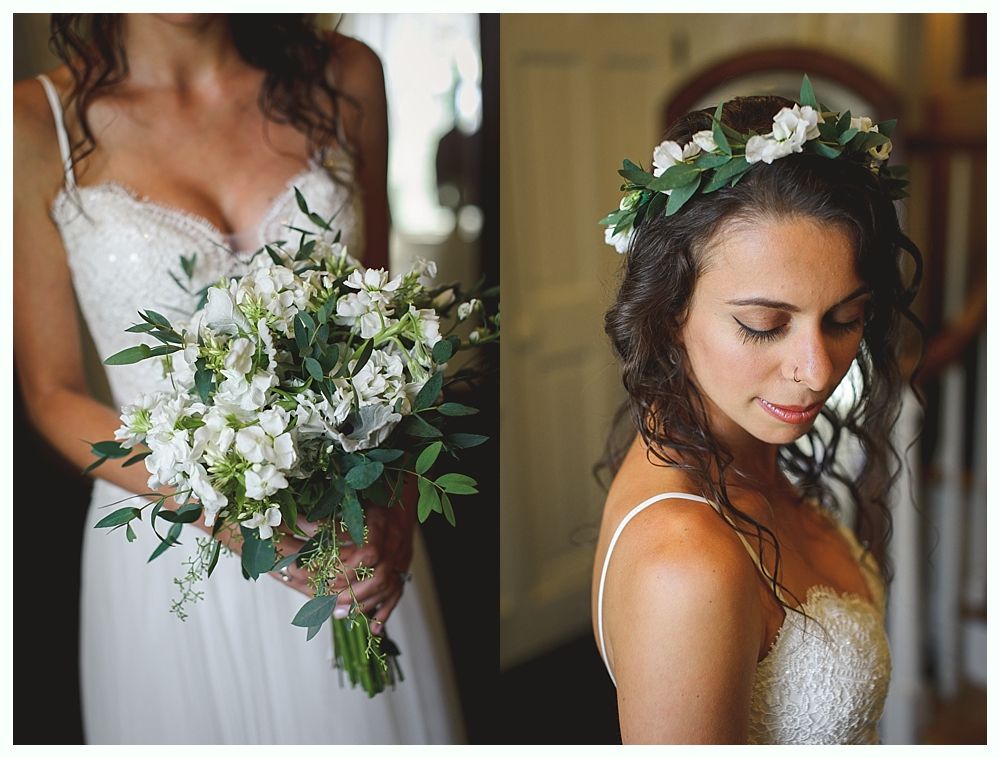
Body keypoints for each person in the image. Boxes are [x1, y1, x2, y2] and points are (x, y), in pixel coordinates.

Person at [14, 13, 461, 744]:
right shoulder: (34, 120)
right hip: (165, 541)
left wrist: (399, 497)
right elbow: (50, 391)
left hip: (351, 526)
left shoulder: (346, 75)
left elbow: (387, 323)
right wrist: (217, 503)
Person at [591, 83, 922, 744]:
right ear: (669, 310)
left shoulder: (743, 450)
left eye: (845, 319)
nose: (819, 369)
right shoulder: (685, 564)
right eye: (764, 325)